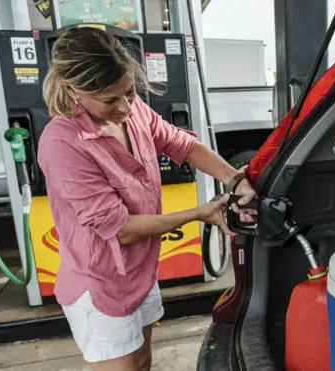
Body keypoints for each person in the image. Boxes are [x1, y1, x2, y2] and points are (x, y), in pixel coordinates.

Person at [37, 27, 256, 370]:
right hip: (101, 282)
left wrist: (235, 178)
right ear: (73, 91)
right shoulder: (63, 144)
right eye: (110, 100)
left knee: (141, 362)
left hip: (139, 270)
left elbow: (181, 144)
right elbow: (120, 228)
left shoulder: (133, 110)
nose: (125, 106)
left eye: (129, 92)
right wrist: (199, 213)